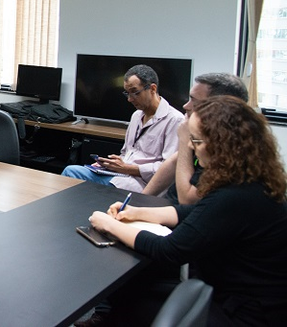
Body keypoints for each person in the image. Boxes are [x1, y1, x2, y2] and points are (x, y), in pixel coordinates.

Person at [89, 96, 287, 326]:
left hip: (249, 313)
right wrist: (137, 212)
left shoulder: (236, 195)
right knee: (131, 290)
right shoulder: (247, 180)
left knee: (131, 302)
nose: (191, 146)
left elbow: (169, 250)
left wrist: (109, 224)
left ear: (223, 144)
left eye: (197, 141)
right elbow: (195, 214)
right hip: (239, 293)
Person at [62, 64, 183, 192]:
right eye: (127, 93)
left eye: (135, 93)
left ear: (152, 88)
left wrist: (127, 168)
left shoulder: (175, 120)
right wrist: (110, 164)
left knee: (76, 180)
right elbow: (126, 153)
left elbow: (169, 169)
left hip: (142, 183)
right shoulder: (136, 116)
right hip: (121, 175)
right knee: (71, 171)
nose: (130, 99)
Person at [141, 73, 249, 203]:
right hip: (172, 209)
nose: (186, 106)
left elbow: (188, 200)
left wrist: (184, 139)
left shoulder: (230, 149)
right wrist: (141, 198)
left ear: (218, 108)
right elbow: (173, 162)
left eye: (194, 101)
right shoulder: (205, 133)